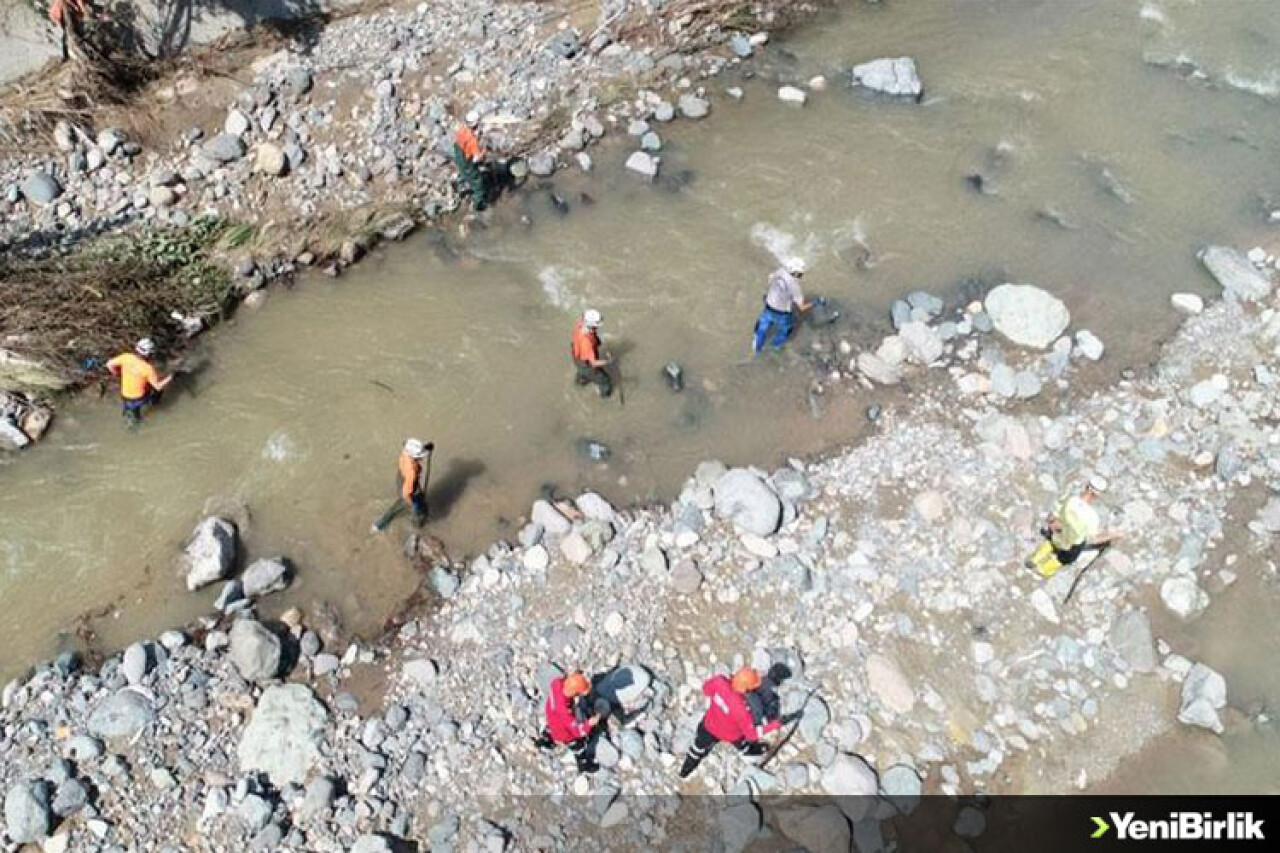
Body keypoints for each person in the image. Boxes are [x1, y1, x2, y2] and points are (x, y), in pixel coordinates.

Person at [679, 667, 782, 779]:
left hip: (709, 725)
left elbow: (706, 690)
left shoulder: (720, 682)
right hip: (732, 735)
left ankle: (686, 770)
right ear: (746, 690)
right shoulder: (742, 710)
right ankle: (757, 750)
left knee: (697, 747)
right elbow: (751, 734)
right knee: (745, 746)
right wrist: (773, 726)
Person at [1026, 476, 1120, 578]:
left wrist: (1052, 521)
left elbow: (1054, 512)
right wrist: (1114, 535)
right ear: (1095, 496)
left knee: (1051, 542)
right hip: (1071, 545)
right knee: (1064, 558)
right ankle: (1043, 570)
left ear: (1086, 487)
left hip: (1057, 534)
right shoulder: (1092, 517)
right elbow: (1094, 538)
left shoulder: (1070, 499)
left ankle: (1035, 558)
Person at [533, 670, 602, 773]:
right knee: (578, 744)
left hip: (551, 717)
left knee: (551, 728)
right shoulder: (565, 712)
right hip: (564, 733)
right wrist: (589, 723)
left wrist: (574, 676)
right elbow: (577, 731)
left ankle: (544, 740)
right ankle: (583, 764)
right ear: (575, 693)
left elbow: (564, 679)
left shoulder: (556, 683)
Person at [752, 258, 813, 354]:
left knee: (762, 326)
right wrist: (814, 303)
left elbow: (770, 280)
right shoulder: (795, 287)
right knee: (787, 327)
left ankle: (756, 347)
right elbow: (802, 307)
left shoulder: (780, 272)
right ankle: (776, 345)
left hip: (768, 306)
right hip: (782, 313)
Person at [371, 439, 433, 532]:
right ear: (413, 457)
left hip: (401, 478)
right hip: (408, 489)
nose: (421, 459)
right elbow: (406, 494)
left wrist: (427, 448)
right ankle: (417, 528)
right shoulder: (411, 472)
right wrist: (411, 504)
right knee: (417, 510)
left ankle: (380, 525)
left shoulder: (405, 452)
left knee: (403, 504)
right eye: (419, 457)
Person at [106, 338, 172, 426]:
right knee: (158, 390)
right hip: (139, 398)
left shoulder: (126, 357)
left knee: (132, 413)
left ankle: (130, 416)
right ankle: (154, 403)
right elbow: (158, 386)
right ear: (149, 354)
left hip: (125, 395)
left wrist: (117, 374)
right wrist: (171, 377)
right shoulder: (148, 369)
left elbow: (109, 364)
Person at [571, 309, 613, 398]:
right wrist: (608, 361)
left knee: (582, 372)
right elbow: (593, 363)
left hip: (576, 356)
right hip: (586, 364)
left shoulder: (579, 323)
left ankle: (581, 381)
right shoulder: (587, 343)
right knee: (604, 380)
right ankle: (605, 397)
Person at [453, 110, 488, 212]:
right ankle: (477, 205)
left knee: (463, 172)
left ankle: (459, 182)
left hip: (458, 154)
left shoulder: (461, 129)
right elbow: (477, 158)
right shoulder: (473, 140)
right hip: (467, 162)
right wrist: (484, 151)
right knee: (478, 183)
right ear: (476, 124)